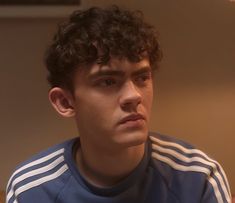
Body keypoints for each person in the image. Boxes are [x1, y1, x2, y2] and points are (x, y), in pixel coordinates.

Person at [6, 5, 231, 203]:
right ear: (65, 102)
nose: (133, 96)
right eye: (108, 82)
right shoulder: (31, 190)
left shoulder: (198, 177)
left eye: (142, 78)